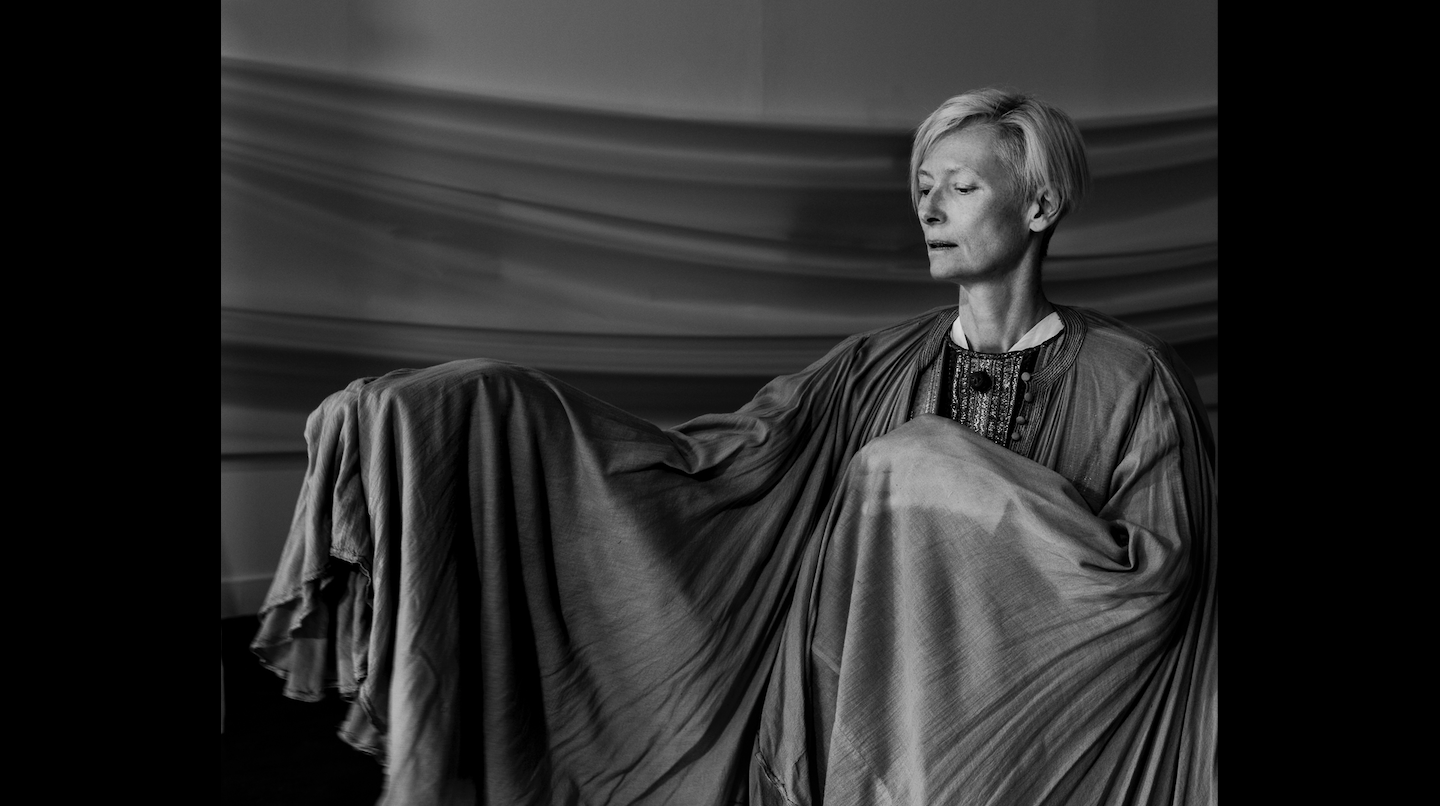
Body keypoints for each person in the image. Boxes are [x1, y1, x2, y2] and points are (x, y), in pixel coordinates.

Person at [252, 88, 1217, 805]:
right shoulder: (869, 370)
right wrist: (476, 411)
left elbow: (1160, 577)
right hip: (868, 734)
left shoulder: (1133, 379)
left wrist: (937, 482)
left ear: (1039, 208)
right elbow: (716, 467)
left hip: (1044, 742)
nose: (929, 209)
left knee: (910, 460)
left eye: (960, 188)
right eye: (923, 188)